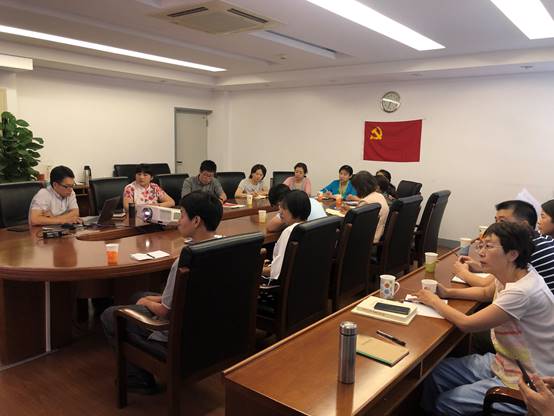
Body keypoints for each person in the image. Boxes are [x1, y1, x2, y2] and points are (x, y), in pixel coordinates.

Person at [416, 222, 554, 416]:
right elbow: (485, 292)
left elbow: (467, 324)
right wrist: (447, 292)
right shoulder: (514, 272)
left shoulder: (522, 291)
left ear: (512, 254)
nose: (481, 252)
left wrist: (433, 301)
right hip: (504, 361)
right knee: (434, 375)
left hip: (525, 381)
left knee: (446, 403)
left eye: (488, 246)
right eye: (481, 245)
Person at [101, 191, 223, 393]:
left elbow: (166, 312)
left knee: (110, 314)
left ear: (196, 221)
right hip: (209, 326)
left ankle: (138, 379)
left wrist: (147, 303)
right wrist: (149, 299)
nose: (178, 220)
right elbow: (191, 294)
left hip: (179, 333)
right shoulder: (224, 247)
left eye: (182, 215)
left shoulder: (185, 260)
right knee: (138, 295)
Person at [454, 200, 554, 294]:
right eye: (496, 220)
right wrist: (479, 266)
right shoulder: (537, 238)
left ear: (524, 225)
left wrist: (462, 272)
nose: (496, 226)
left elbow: (486, 286)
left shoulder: (528, 249)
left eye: (502, 221)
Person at [262, 190, 311, 282]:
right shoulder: (310, 227)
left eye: (284, 208)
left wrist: (258, 269)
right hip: (304, 280)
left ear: (294, 210)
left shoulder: (290, 231)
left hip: (283, 283)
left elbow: (276, 272)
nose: (280, 211)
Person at [350, 171, 389, 242]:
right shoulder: (380, 196)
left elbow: (354, 223)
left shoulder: (365, 202)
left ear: (360, 188)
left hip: (366, 239)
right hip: (378, 234)